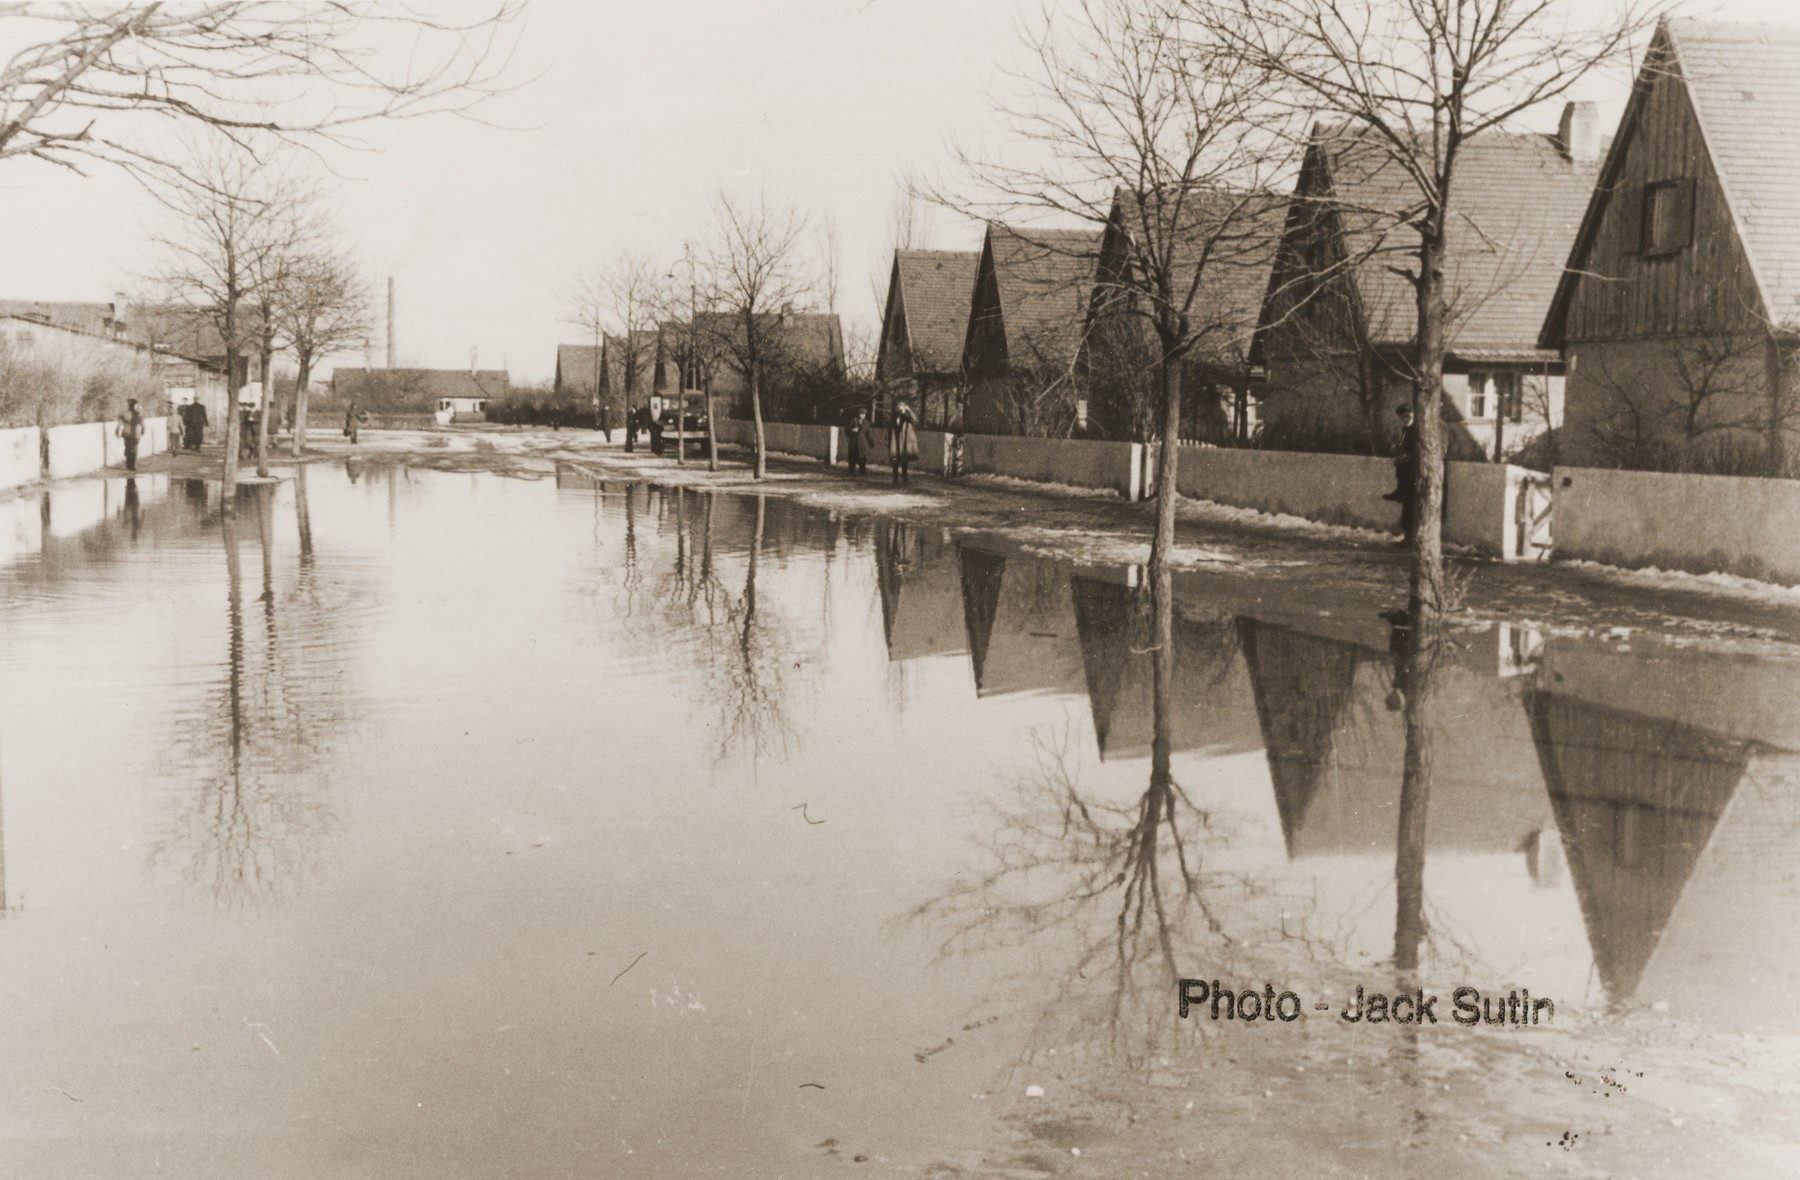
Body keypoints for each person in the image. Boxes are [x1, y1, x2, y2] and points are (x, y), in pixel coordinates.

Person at [1382, 403, 1419, 543]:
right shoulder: (1406, 430)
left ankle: (1410, 538)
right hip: (1407, 470)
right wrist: (1400, 457)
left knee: (1411, 505)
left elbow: (1418, 451)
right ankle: (1408, 537)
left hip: (1415, 472)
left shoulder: (1417, 430)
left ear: (1413, 415)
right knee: (1408, 506)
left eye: (1408, 416)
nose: (1405, 419)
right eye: (1402, 417)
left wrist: (1407, 457)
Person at [888, 399, 919, 485]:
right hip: (895, 441)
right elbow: (889, 429)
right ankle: (895, 479)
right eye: (899, 407)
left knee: (904, 460)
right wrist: (887, 440)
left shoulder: (907, 417)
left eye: (902, 407)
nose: (900, 409)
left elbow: (915, 420)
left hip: (904, 441)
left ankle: (905, 478)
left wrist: (909, 410)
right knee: (894, 460)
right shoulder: (893, 417)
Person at [116, 398, 145, 471]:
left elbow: (119, 424)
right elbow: (142, 424)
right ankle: (132, 465)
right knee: (134, 449)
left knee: (127, 448)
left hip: (127, 434)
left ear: (128, 405)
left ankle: (129, 464)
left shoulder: (123, 414)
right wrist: (143, 430)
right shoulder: (138, 414)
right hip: (136, 434)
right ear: (135, 405)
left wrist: (117, 432)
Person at [844, 407, 874, 477]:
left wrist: (871, 443)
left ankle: (862, 470)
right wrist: (852, 430)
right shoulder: (853, 420)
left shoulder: (867, 423)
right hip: (853, 442)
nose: (862, 415)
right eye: (861, 414)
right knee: (852, 456)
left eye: (864, 414)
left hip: (862, 443)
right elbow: (846, 430)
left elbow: (869, 434)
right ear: (858, 414)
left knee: (862, 457)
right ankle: (851, 470)